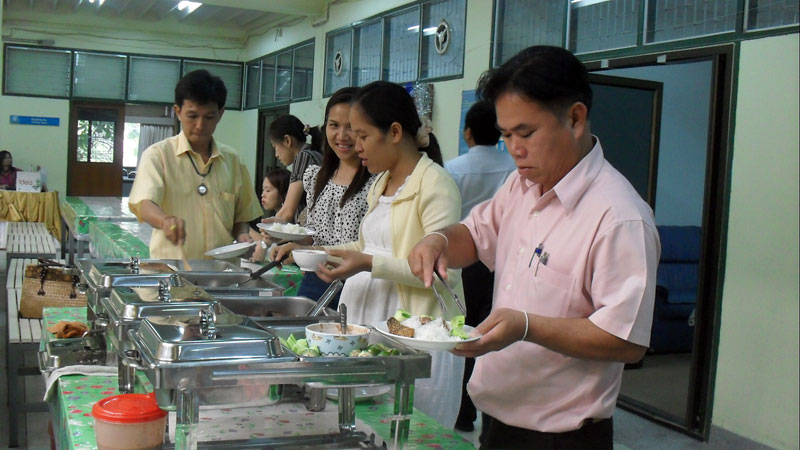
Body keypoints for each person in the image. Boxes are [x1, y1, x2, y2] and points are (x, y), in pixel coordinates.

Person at [408, 46, 660, 449]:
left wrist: (527, 327)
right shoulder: (521, 186)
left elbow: (626, 341)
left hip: (561, 437)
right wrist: (438, 240)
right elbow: (475, 236)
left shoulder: (619, 217)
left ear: (575, 118)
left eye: (526, 133)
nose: (514, 149)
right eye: (506, 135)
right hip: (499, 418)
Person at [310, 80, 464, 428]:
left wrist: (368, 264)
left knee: (406, 429)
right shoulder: (381, 182)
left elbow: (443, 274)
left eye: (362, 136)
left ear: (394, 132)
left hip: (412, 332)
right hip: (371, 320)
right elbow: (370, 245)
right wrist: (322, 253)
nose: (355, 146)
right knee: (362, 427)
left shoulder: (435, 185)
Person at [129, 69, 262, 260]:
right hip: (172, 269)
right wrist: (165, 221)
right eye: (192, 116)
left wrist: (242, 235)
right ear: (178, 112)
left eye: (209, 117)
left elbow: (241, 217)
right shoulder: (158, 155)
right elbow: (144, 203)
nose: (200, 125)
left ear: (221, 114)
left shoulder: (233, 161)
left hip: (222, 270)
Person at [444, 100, 516, 432]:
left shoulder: (454, 168)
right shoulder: (514, 168)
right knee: (494, 335)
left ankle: (462, 413)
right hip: (503, 262)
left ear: (468, 133)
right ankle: (488, 410)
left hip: (464, 259)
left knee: (465, 333)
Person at [271, 87, 374, 306]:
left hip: (355, 286)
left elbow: (370, 247)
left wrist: (306, 251)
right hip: (315, 280)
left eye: (351, 127)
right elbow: (314, 233)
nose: (342, 136)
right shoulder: (316, 176)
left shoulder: (376, 181)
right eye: (334, 125)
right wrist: (290, 242)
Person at [265, 115, 323, 224]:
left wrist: (269, 229)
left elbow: (287, 212)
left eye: (275, 147)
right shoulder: (314, 154)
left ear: (287, 140)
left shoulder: (303, 157)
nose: (276, 155)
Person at [249, 168, 291, 262]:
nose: (262, 195)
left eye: (268, 191)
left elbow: (267, 241)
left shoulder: (289, 222)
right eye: (263, 190)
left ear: (283, 194)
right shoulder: (276, 216)